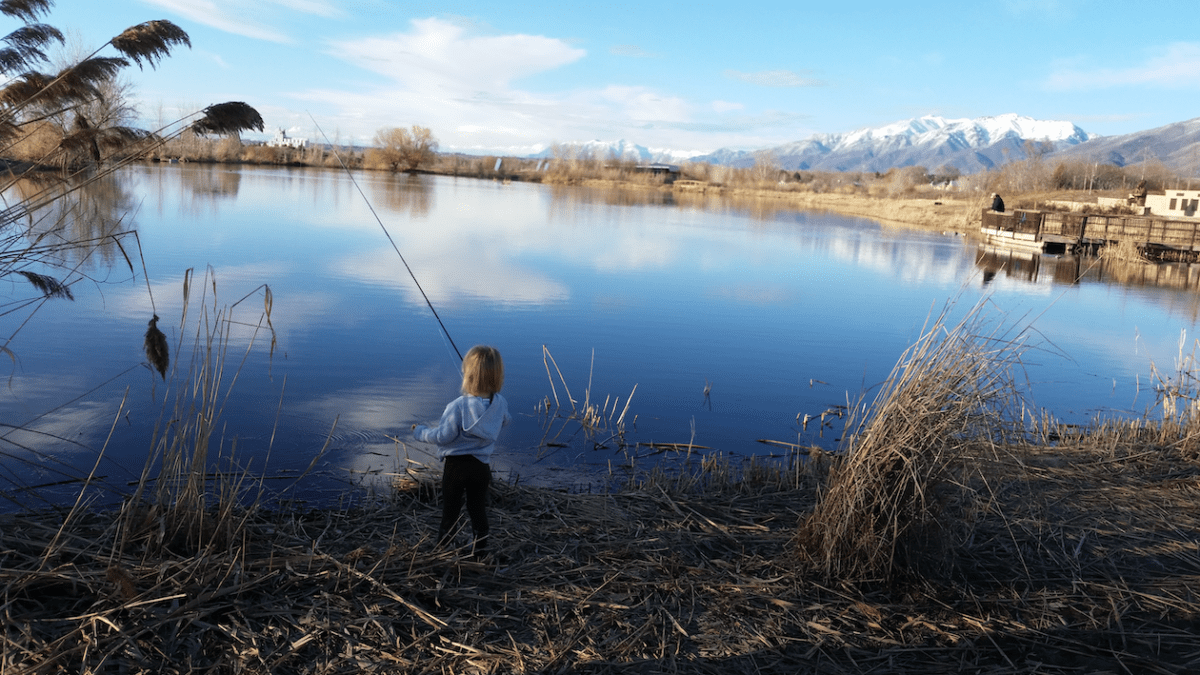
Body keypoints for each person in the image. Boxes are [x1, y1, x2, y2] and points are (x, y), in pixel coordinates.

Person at [413, 345, 511, 560]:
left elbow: (443, 437)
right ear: (497, 374)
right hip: (481, 468)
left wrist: (420, 432)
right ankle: (480, 549)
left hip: (456, 468)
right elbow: (505, 421)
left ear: (468, 374)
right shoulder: (500, 403)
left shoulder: (457, 406)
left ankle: (443, 548)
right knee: (477, 508)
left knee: (451, 509)